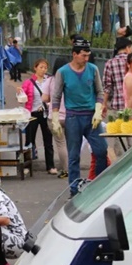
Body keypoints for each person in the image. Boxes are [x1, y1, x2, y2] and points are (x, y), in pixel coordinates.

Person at [50, 38, 108, 196]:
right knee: (74, 155)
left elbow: (100, 91)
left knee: (101, 150)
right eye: (83, 55)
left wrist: (98, 109)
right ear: (74, 54)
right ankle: (74, 190)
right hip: (73, 117)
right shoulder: (63, 72)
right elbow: (56, 97)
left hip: (91, 116)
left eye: (88, 55)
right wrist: (55, 118)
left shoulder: (93, 69)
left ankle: (99, 185)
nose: (86, 58)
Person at [103, 38, 132, 158]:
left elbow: (107, 87)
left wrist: (104, 104)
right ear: (128, 48)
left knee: (122, 145)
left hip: (118, 107)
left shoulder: (110, 63)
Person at [21, 58, 56, 175]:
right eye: (41, 67)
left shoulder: (49, 81)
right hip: (32, 113)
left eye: (45, 68)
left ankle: (50, 166)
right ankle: (27, 165)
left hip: (46, 113)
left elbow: (54, 95)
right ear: (35, 68)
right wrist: (19, 92)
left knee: (48, 140)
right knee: (29, 140)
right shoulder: (28, 82)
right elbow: (22, 96)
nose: (43, 70)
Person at [41, 57, 69, 179]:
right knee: (72, 143)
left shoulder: (50, 80)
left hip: (55, 117)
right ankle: (73, 168)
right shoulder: (70, 80)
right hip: (70, 116)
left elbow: (44, 98)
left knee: (60, 144)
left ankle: (66, 169)